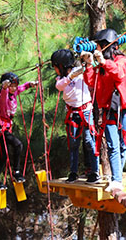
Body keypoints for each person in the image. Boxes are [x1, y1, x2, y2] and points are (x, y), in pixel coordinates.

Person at [81, 29, 126, 193]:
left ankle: (118, 174)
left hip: (124, 109)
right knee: (112, 145)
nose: (96, 48)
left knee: (122, 144)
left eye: (98, 44)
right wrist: (89, 64)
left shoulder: (121, 60)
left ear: (105, 45)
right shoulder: (101, 65)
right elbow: (90, 81)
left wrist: (103, 61)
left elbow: (119, 74)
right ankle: (116, 179)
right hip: (109, 109)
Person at [51, 49, 100, 184]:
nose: (55, 70)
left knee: (90, 141)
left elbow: (93, 69)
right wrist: (70, 77)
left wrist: (87, 62)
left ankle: (95, 172)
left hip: (85, 111)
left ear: (61, 66)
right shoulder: (62, 79)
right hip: (72, 113)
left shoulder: (80, 72)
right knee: (73, 144)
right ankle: (73, 172)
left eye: (55, 67)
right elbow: (59, 86)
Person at [0, 72, 37, 189]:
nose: (14, 88)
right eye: (11, 86)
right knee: (18, 145)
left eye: (14, 85)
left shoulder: (15, 92)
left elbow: (22, 87)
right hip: (0, 127)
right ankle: (16, 172)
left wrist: (30, 84)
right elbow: (3, 92)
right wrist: (4, 86)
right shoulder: (3, 96)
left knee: (4, 155)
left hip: (6, 127)